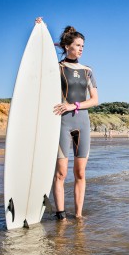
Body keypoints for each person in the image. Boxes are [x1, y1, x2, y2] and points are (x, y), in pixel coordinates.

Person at [35, 17, 98, 221]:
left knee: (80, 172)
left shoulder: (88, 71)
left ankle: (78, 215)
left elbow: (95, 100)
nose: (81, 49)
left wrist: (74, 105)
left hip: (82, 124)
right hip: (62, 123)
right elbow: (40, 58)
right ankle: (60, 216)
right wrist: (41, 31)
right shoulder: (57, 68)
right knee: (61, 173)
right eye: (77, 45)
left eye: (83, 46)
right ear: (67, 46)